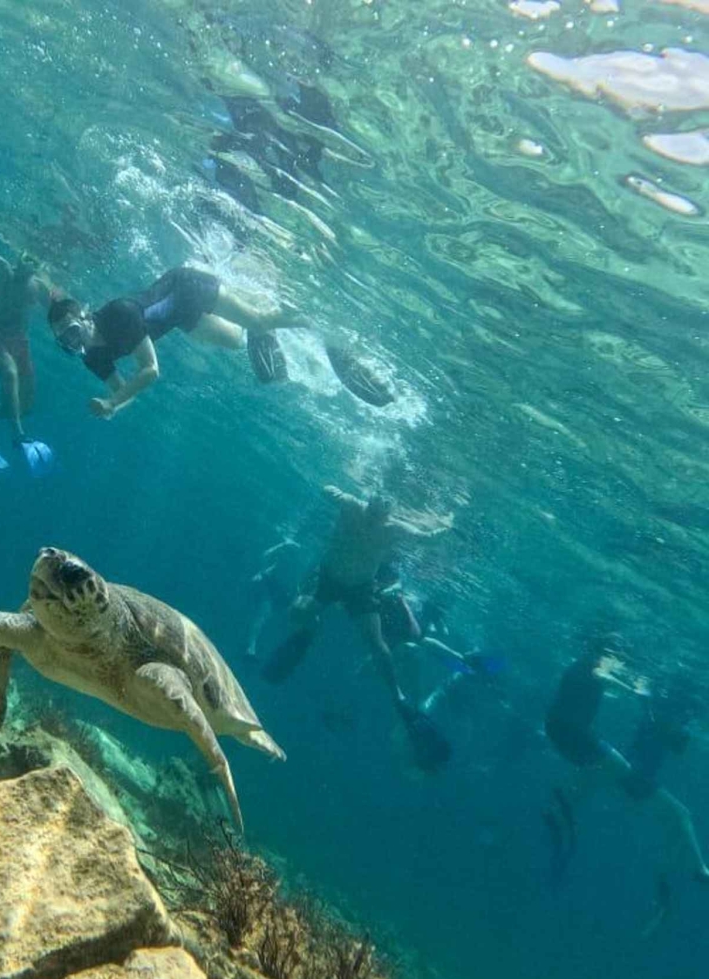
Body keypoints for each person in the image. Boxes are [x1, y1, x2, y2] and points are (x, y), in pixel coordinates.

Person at [263, 486, 454, 770]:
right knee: (297, 612)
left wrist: (447, 524)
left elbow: (426, 538)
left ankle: (398, 695)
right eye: (377, 502)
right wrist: (331, 490)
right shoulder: (352, 506)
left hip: (360, 589)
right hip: (330, 578)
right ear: (370, 500)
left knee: (377, 644)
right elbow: (329, 490)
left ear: (389, 510)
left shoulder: (392, 527)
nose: (379, 510)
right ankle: (309, 630)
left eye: (384, 506)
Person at [542, 637, 709, 892]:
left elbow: (675, 743)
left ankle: (564, 802)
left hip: (576, 738)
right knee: (676, 812)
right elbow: (601, 675)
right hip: (608, 757)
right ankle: (690, 872)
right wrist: (634, 690)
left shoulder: (583, 668)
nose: (620, 665)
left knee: (603, 773)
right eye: (618, 659)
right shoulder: (593, 666)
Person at [46, 265, 302, 418]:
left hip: (187, 286)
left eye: (72, 331)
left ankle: (309, 319)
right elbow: (124, 393)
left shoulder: (119, 313)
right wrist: (112, 408)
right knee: (236, 340)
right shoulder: (92, 358)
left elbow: (150, 369)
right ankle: (249, 306)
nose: (73, 342)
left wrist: (112, 402)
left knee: (258, 322)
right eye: (65, 341)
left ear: (85, 317)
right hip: (179, 316)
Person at [0, 214, 57, 475]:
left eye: (35, 262)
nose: (28, 264)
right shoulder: (1, 270)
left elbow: (60, 312)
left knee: (25, 405)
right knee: (9, 373)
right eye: (26, 257)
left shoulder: (38, 287)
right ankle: (18, 435)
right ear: (19, 255)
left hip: (20, 343)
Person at [246, 537, 302, 659]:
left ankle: (254, 645)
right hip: (268, 585)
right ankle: (251, 646)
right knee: (263, 613)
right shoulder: (280, 556)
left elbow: (295, 586)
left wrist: (295, 600)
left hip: (280, 592)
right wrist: (283, 545)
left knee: (265, 614)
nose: (288, 557)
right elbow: (264, 556)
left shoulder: (294, 565)